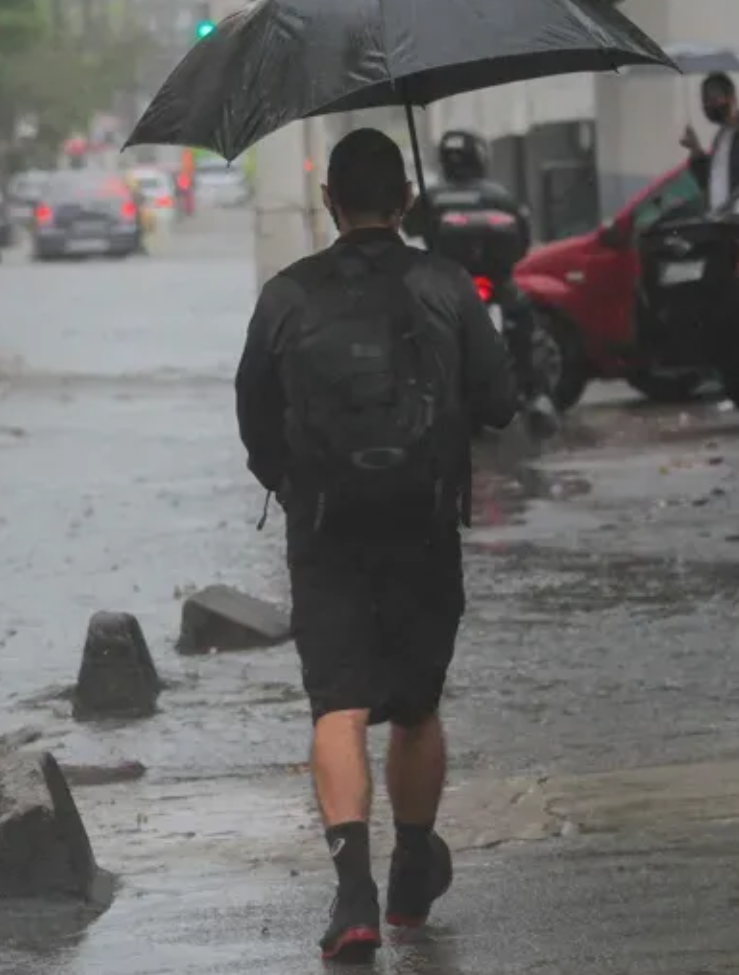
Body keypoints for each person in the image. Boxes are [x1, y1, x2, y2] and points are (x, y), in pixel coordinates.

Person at [234, 128, 519, 964]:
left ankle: (351, 894)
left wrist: (294, 483)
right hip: (423, 523)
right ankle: (409, 874)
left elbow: (254, 419)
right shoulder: (442, 284)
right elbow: (499, 400)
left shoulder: (286, 295)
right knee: (418, 707)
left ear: (329, 203)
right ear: (404, 200)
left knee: (338, 707)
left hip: (324, 528)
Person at [403, 130, 559, 436]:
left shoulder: (432, 196)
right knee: (524, 327)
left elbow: (410, 229)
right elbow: (524, 241)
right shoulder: (500, 195)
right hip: (498, 282)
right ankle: (536, 394)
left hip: (445, 286)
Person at [680, 73, 739, 210]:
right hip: (718, 217)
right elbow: (710, 181)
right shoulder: (720, 137)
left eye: (713, 99)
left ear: (732, 98)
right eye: (704, 101)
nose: (708, 106)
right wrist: (695, 149)